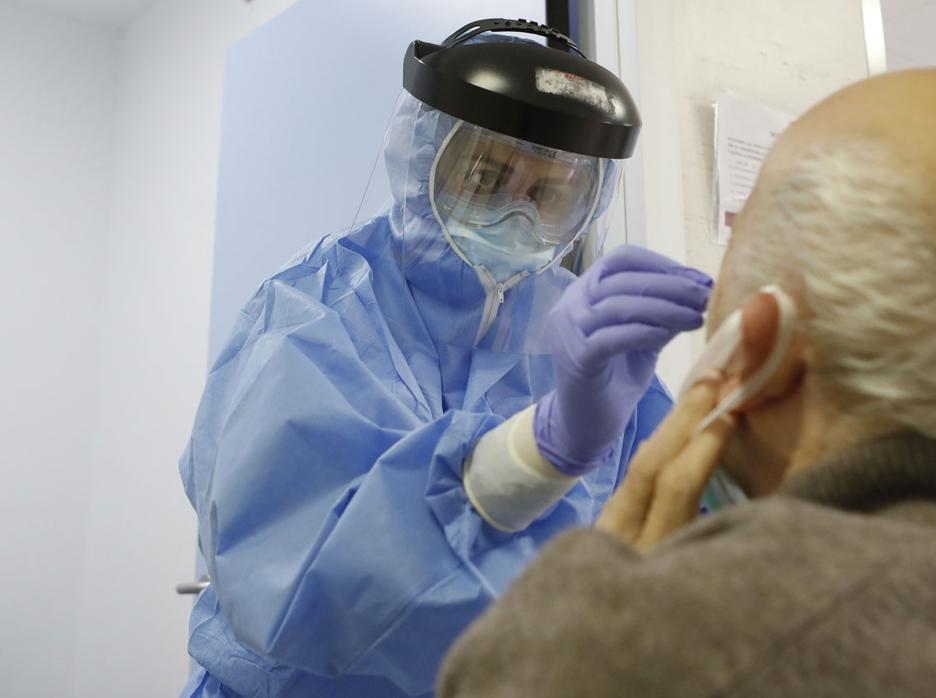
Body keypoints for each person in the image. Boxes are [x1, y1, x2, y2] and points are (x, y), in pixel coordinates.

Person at [437, 68, 936, 697]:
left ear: (759, 345)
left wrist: (584, 617)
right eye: (488, 180)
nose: (516, 214)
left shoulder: (624, 650)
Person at [178, 20, 711, 698]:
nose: (519, 216)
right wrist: (535, 453)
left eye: (550, 194)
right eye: (490, 176)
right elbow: (301, 580)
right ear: (423, 153)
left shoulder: (578, 329)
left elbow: (672, 526)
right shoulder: (318, 312)